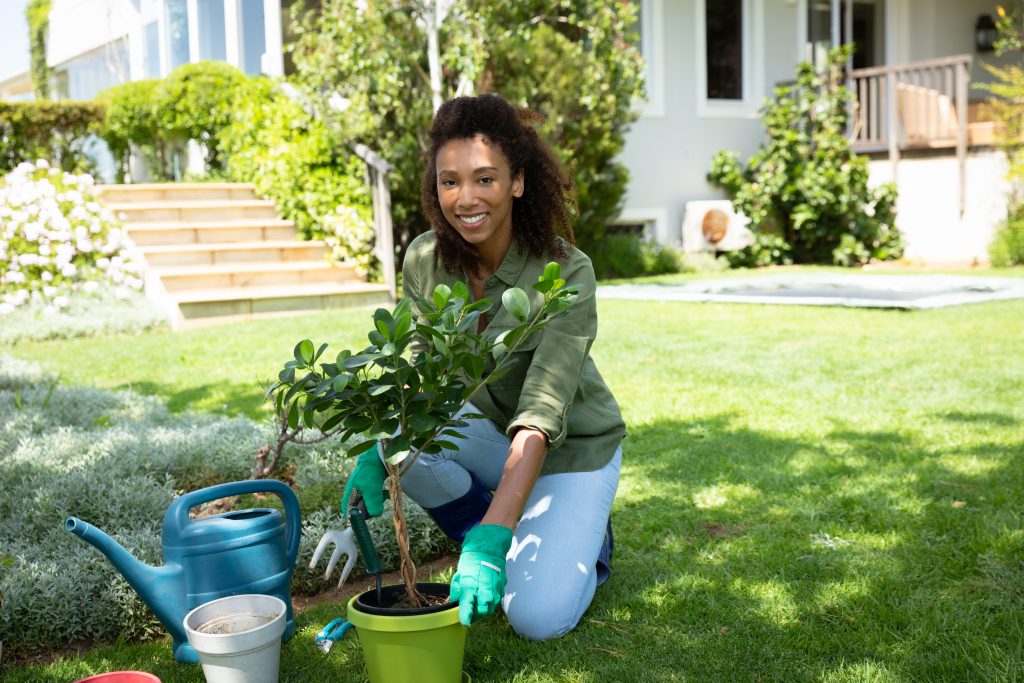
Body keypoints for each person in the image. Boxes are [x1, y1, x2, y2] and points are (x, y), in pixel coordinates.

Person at [342, 93, 625, 641]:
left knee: (536, 618)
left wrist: (495, 536)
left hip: (571, 454)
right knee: (405, 435)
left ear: (517, 182)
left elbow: (541, 412)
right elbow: (415, 373)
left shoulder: (567, 272)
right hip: (492, 439)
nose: (465, 198)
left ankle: (576, 539)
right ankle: (500, 529)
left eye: (484, 179)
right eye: (450, 181)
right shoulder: (425, 259)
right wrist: (380, 452)